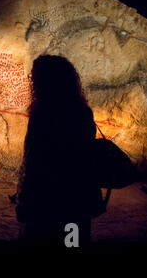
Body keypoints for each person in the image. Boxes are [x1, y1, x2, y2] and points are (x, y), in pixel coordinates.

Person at [15, 55, 101, 255]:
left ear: (45, 81)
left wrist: (24, 199)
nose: (31, 81)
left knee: (41, 247)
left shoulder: (43, 113)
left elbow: (34, 161)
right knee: (72, 246)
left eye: (34, 77)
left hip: (45, 200)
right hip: (75, 200)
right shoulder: (82, 112)